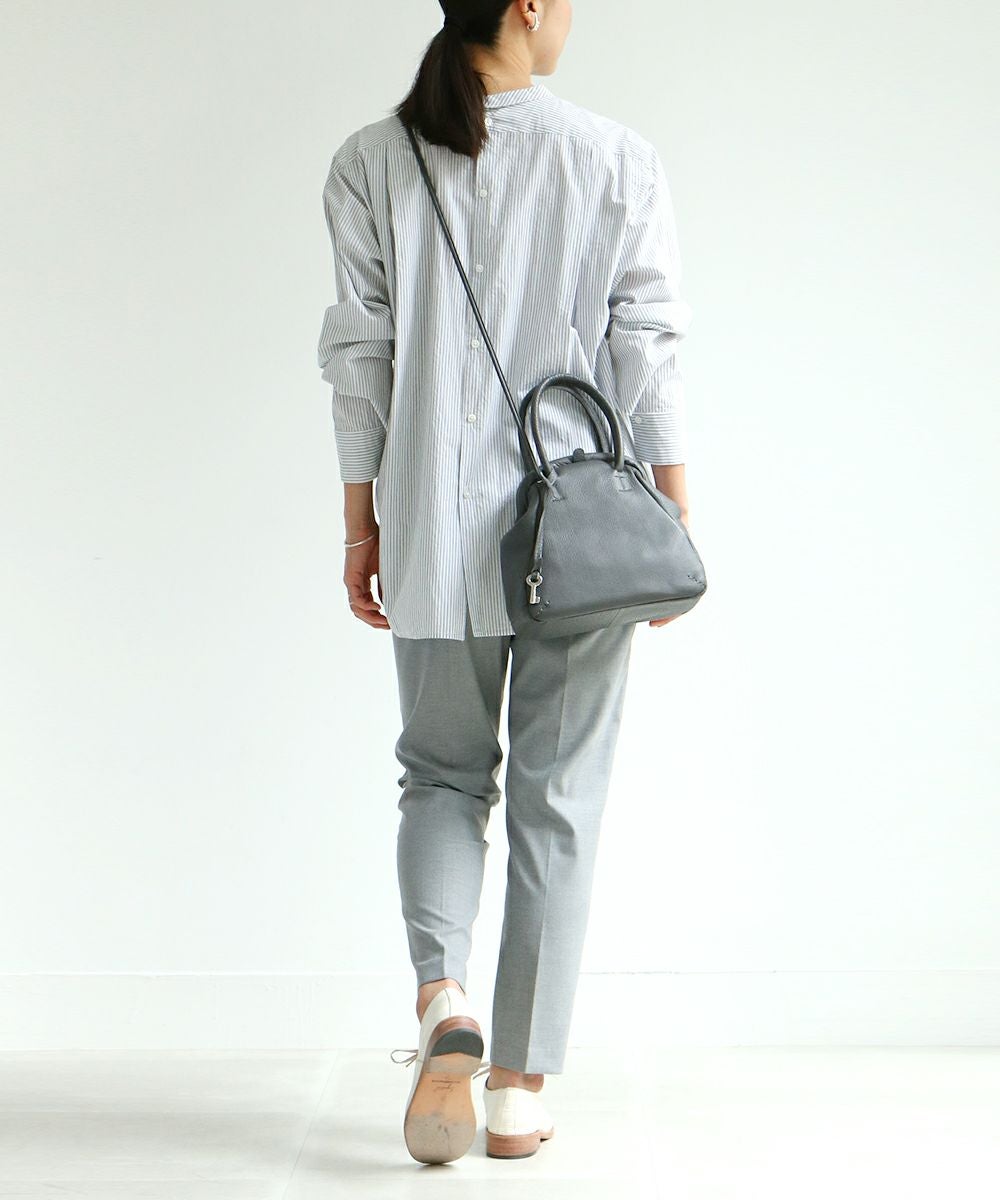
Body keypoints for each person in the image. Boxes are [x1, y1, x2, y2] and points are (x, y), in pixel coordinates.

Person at [317, 0, 694, 1166]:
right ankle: (519, 1091)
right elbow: (646, 347)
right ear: (528, 2)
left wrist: (361, 523)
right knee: (556, 799)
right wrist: (673, 513)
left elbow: (358, 356)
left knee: (439, 776)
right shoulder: (614, 159)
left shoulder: (371, 159)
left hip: (430, 524)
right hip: (578, 536)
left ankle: (444, 997)